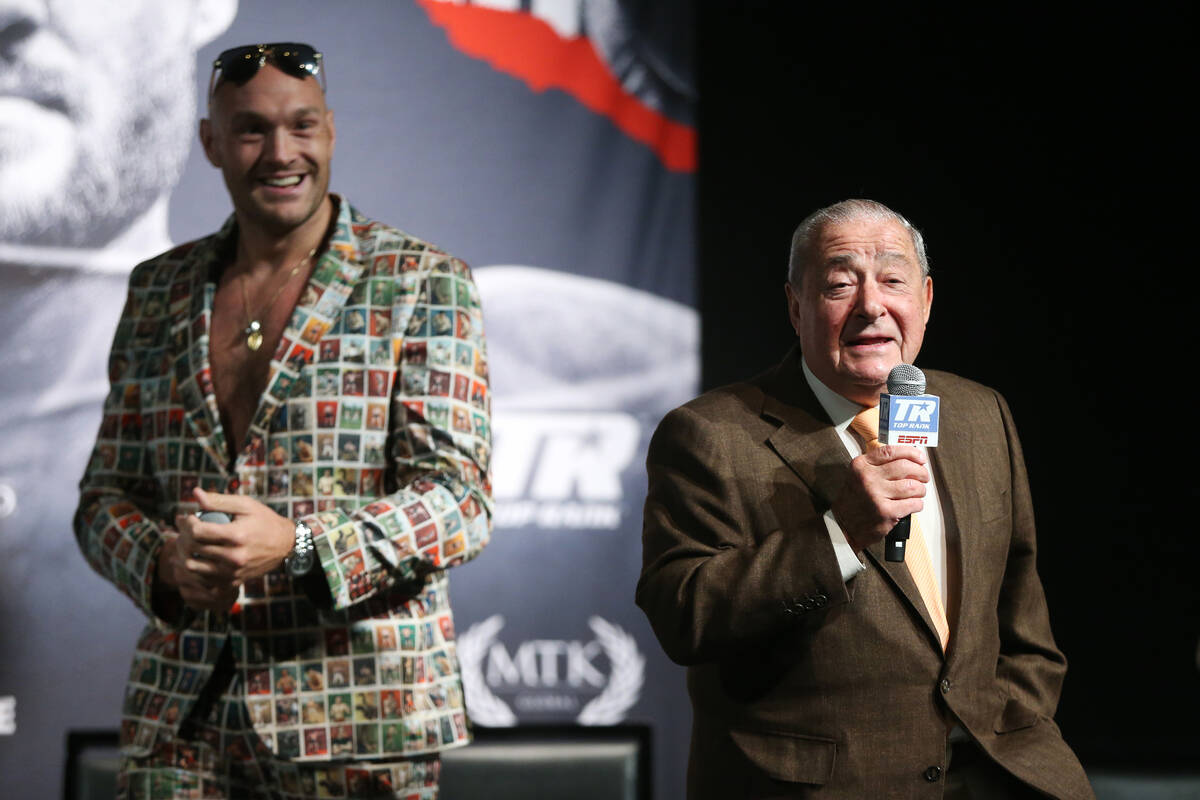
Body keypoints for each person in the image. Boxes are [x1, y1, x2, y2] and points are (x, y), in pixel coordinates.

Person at [74, 42, 491, 799]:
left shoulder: (421, 281)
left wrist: (298, 546)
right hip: (179, 720)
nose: (281, 152)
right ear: (209, 143)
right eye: (251, 130)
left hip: (359, 719)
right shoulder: (156, 288)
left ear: (331, 131)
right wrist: (161, 563)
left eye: (302, 126)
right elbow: (104, 497)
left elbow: (460, 501)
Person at [636, 199, 1093, 799]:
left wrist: (1018, 723)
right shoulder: (710, 435)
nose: (871, 305)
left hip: (994, 772)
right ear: (795, 306)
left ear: (926, 299)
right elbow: (683, 613)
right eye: (839, 284)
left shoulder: (980, 415)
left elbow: (1020, 607)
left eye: (893, 280)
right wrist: (837, 535)